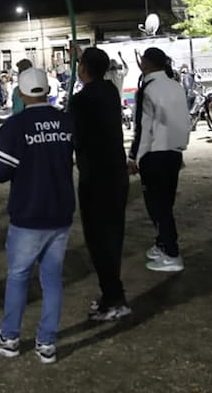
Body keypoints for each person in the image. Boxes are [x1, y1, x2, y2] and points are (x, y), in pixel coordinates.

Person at [0, 66, 75, 364]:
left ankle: (10, 337)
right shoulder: (66, 121)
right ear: (47, 91)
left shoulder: (17, 125)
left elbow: (0, 169)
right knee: (52, 279)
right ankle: (47, 343)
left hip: (28, 212)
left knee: (18, 277)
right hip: (61, 211)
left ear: (22, 93)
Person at [70, 47, 131, 321]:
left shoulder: (81, 100)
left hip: (95, 177)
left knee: (98, 239)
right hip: (116, 174)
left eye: (80, 63)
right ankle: (112, 294)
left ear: (83, 69)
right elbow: (97, 71)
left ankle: (114, 298)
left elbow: (76, 137)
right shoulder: (110, 91)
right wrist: (84, 56)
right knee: (112, 236)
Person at [130, 47, 191, 273]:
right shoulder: (176, 85)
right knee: (165, 203)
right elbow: (185, 120)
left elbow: (143, 128)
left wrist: (134, 157)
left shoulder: (147, 89)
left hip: (154, 154)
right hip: (174, 153)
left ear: (145, 63)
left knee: (158, 207)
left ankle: (172, 253)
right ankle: (162, 244)